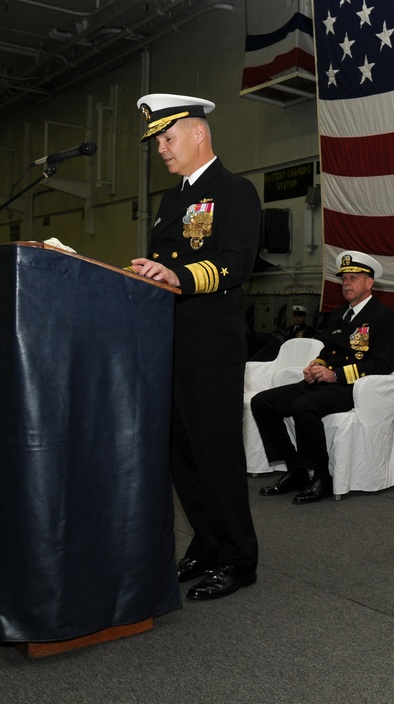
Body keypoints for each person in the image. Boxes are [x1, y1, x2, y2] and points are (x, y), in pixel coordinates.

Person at [129, 93, 261, 601]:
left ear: (198, 133)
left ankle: (238, 558)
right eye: (157, 141)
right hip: (170, 345)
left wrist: (178, 276)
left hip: (210, 347)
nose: (161, 149)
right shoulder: (171, 201)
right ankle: (207, 544)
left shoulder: (235, 191)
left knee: (216, 455)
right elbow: (164, 264)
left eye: (167, 137)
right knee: (181, 454)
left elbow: (235, 263)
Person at [251, 251, 394, 504]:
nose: (346, 283)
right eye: (344, 278)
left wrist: (336, 375)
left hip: (352, 388)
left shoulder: (383, 317)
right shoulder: (339, 314)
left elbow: (384, 364)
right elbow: (330, 349)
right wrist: (317, 365)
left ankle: (322, 476)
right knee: (263, 402)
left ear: (369, 283)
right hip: (325, 383)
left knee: (303, 406)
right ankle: (296, 469)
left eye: (354, 277)